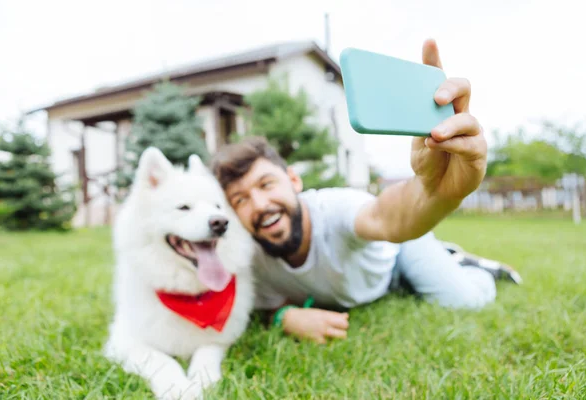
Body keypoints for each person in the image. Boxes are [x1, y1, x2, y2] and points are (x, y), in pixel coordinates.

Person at [209, 39, 521, 344]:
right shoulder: (249, 254)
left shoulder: (336, 210)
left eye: (266, 184)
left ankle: (471, 267)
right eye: (241, 199)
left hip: (399, 252)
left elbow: (388, 218)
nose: (260, 204)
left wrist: (434, 191)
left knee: (464, 301)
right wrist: (283, 316)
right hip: (371, 283)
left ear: (294, 181)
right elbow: (248, 306)